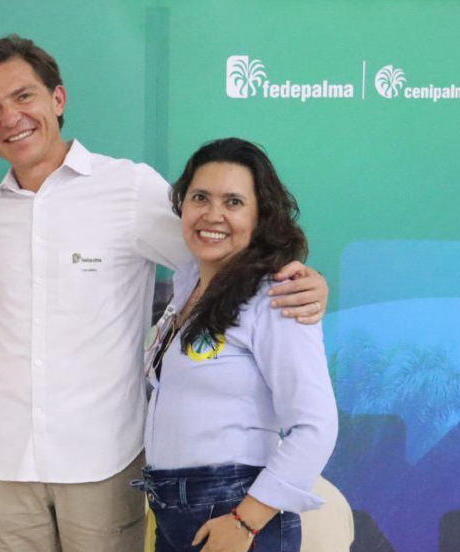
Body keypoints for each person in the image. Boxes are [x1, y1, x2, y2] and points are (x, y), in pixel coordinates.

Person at [0, 36, 330, 552]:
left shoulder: (129, 189)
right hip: (7, 467)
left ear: (58, 99)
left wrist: (297, 279)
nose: (11, 117)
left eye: (24, 97)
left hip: (104, 462)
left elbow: (215, 246)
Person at [137, 138, 338, 552]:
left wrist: (244, 522)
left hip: (234, 512)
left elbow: (316, 426)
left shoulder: (277, 296)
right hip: (173, 512)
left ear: (260, 215)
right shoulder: (187, 284)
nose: (213, 215)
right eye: (200, 197)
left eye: (233, 202)